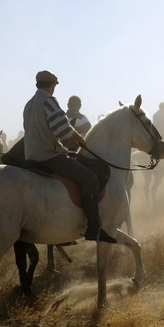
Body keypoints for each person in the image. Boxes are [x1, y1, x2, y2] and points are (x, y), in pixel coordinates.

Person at [23, 70, 115, 243]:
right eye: (54, 85)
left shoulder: (28, 104)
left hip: (30, 157)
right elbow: (62, 130)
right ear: (52, 85)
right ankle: (93, 227)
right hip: (48, 156)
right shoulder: (49, 101)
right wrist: (80, 140)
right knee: (90, 179)